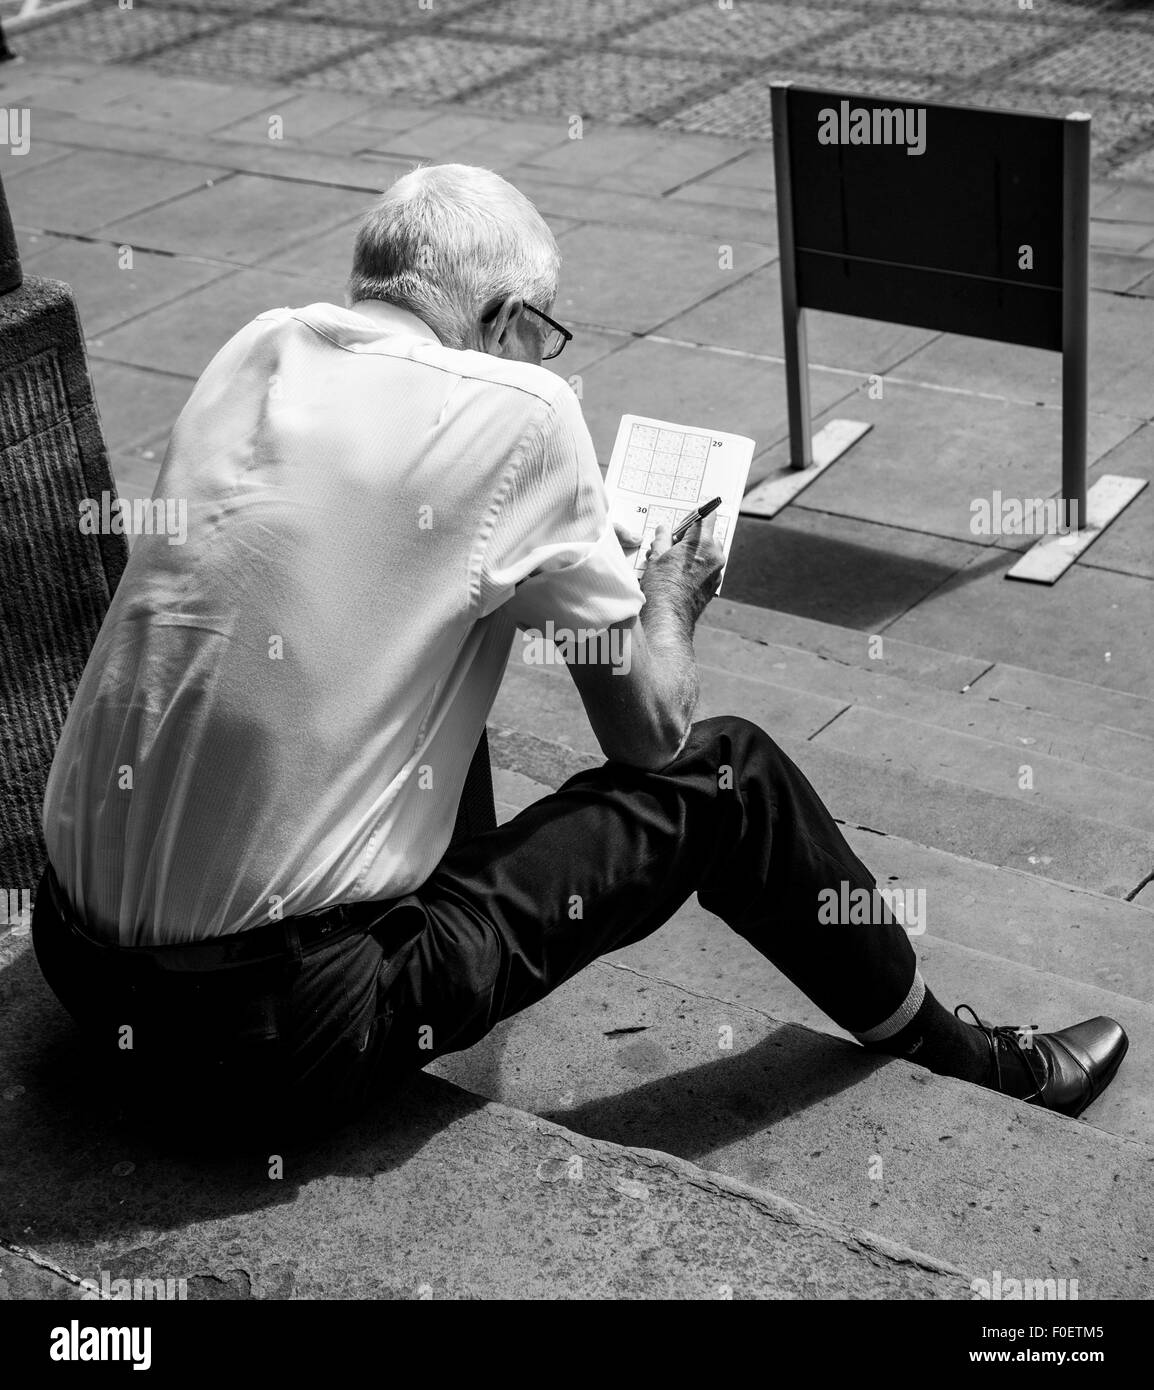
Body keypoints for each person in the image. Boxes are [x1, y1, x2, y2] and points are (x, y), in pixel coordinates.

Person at [32, 164, 1127, 1144]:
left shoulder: (254, 350)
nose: (543, 353)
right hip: (276, 1032)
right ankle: (968, 1059)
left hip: (78, 961)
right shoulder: (523, 408)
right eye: (541, 329)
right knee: (725, 774)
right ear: (507, 318)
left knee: (413, 634)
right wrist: (668, 601)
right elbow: (648, 734)